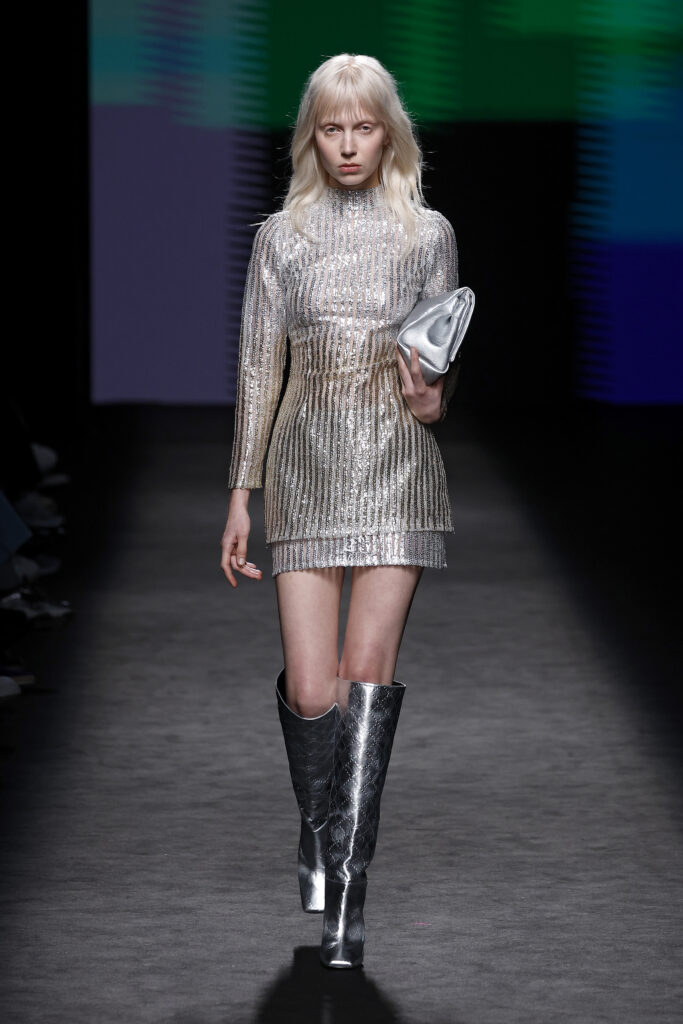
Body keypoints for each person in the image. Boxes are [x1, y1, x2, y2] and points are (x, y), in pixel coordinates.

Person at [220, 53, 460, 969]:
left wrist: (431, 399)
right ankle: (321, 823)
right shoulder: (280, 239)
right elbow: (258, 369)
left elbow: (433, 376)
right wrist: (240, 495)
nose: (349, 145)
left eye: (364, 128)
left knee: (366, 676)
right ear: (310, 137)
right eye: (332, 128)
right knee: (314, 691)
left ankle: (348, 887)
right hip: (304, 464)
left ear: (388, 134)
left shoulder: (427, 234)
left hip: (397, 466)